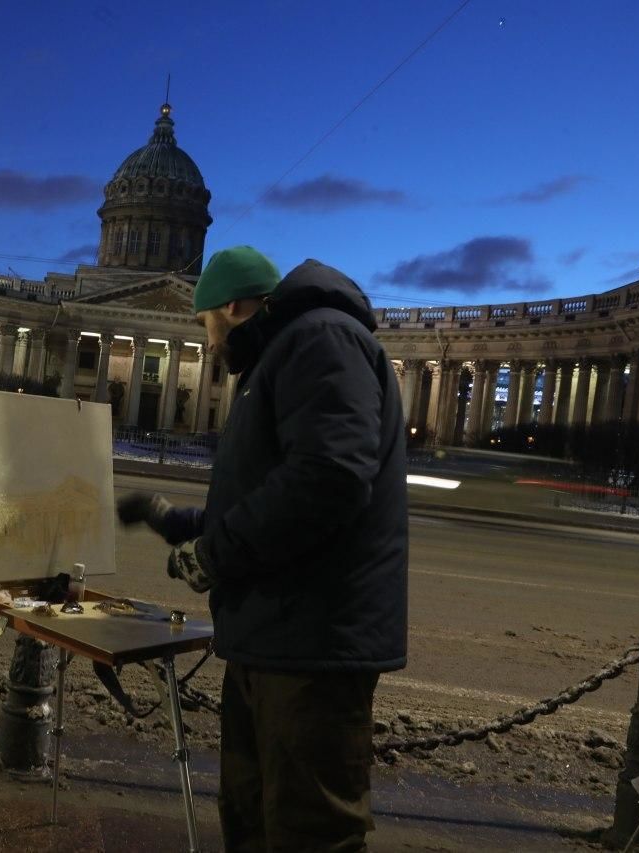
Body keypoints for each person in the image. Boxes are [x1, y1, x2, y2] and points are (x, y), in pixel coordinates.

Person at [118, 245, 408, 852]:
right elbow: (265, 499)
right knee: (252, 819)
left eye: (205, 325)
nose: (207, 343)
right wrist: (175, 522)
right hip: (276, 638)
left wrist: (214, 555)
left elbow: (327, 479)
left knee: (308, 832)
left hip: (311, 648)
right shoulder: (284, 356)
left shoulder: (320, 340)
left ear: (231, 305)